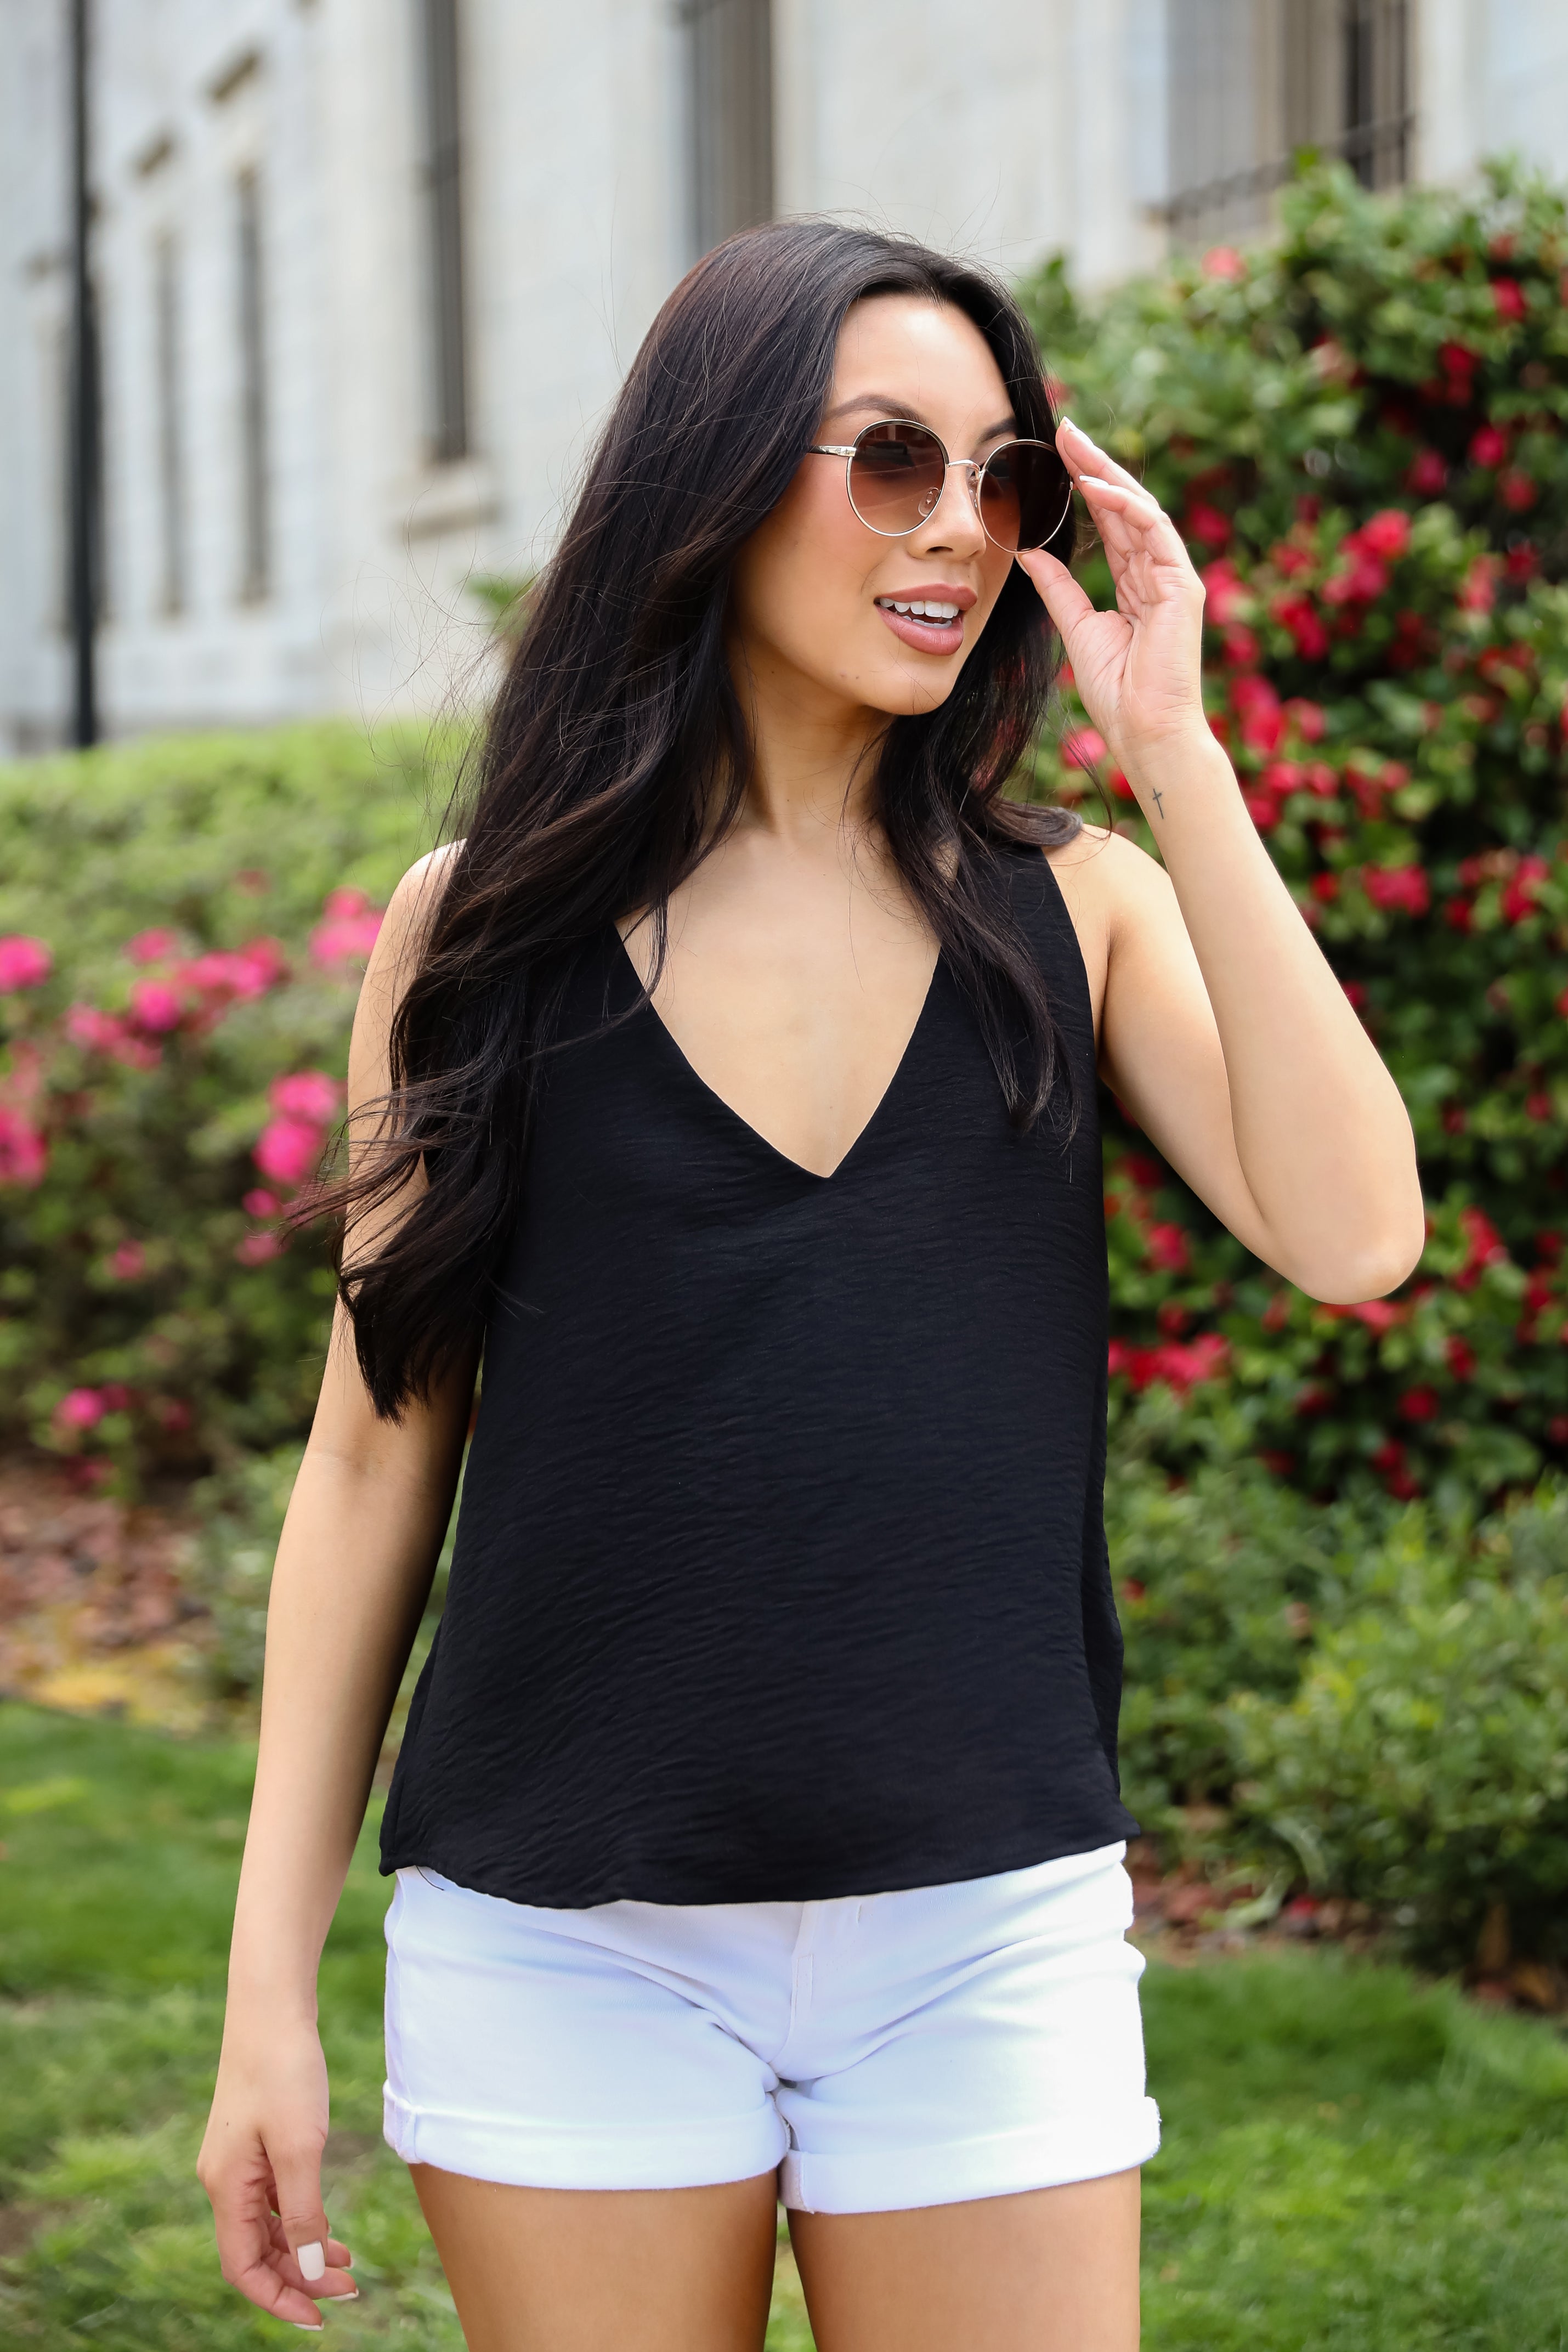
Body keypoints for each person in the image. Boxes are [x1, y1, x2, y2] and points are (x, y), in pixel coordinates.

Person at [197, 222, 1424, 2351]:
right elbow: (373, 1464)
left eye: (1002, 476)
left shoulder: (1078, 909)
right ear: (716, 475)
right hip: (563, 1940)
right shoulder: (477, 932)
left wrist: (1178, 754)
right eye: (891, 458)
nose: (959, 526)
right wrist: (261, 1998)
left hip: (985, 1932)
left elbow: (1354, 1236)